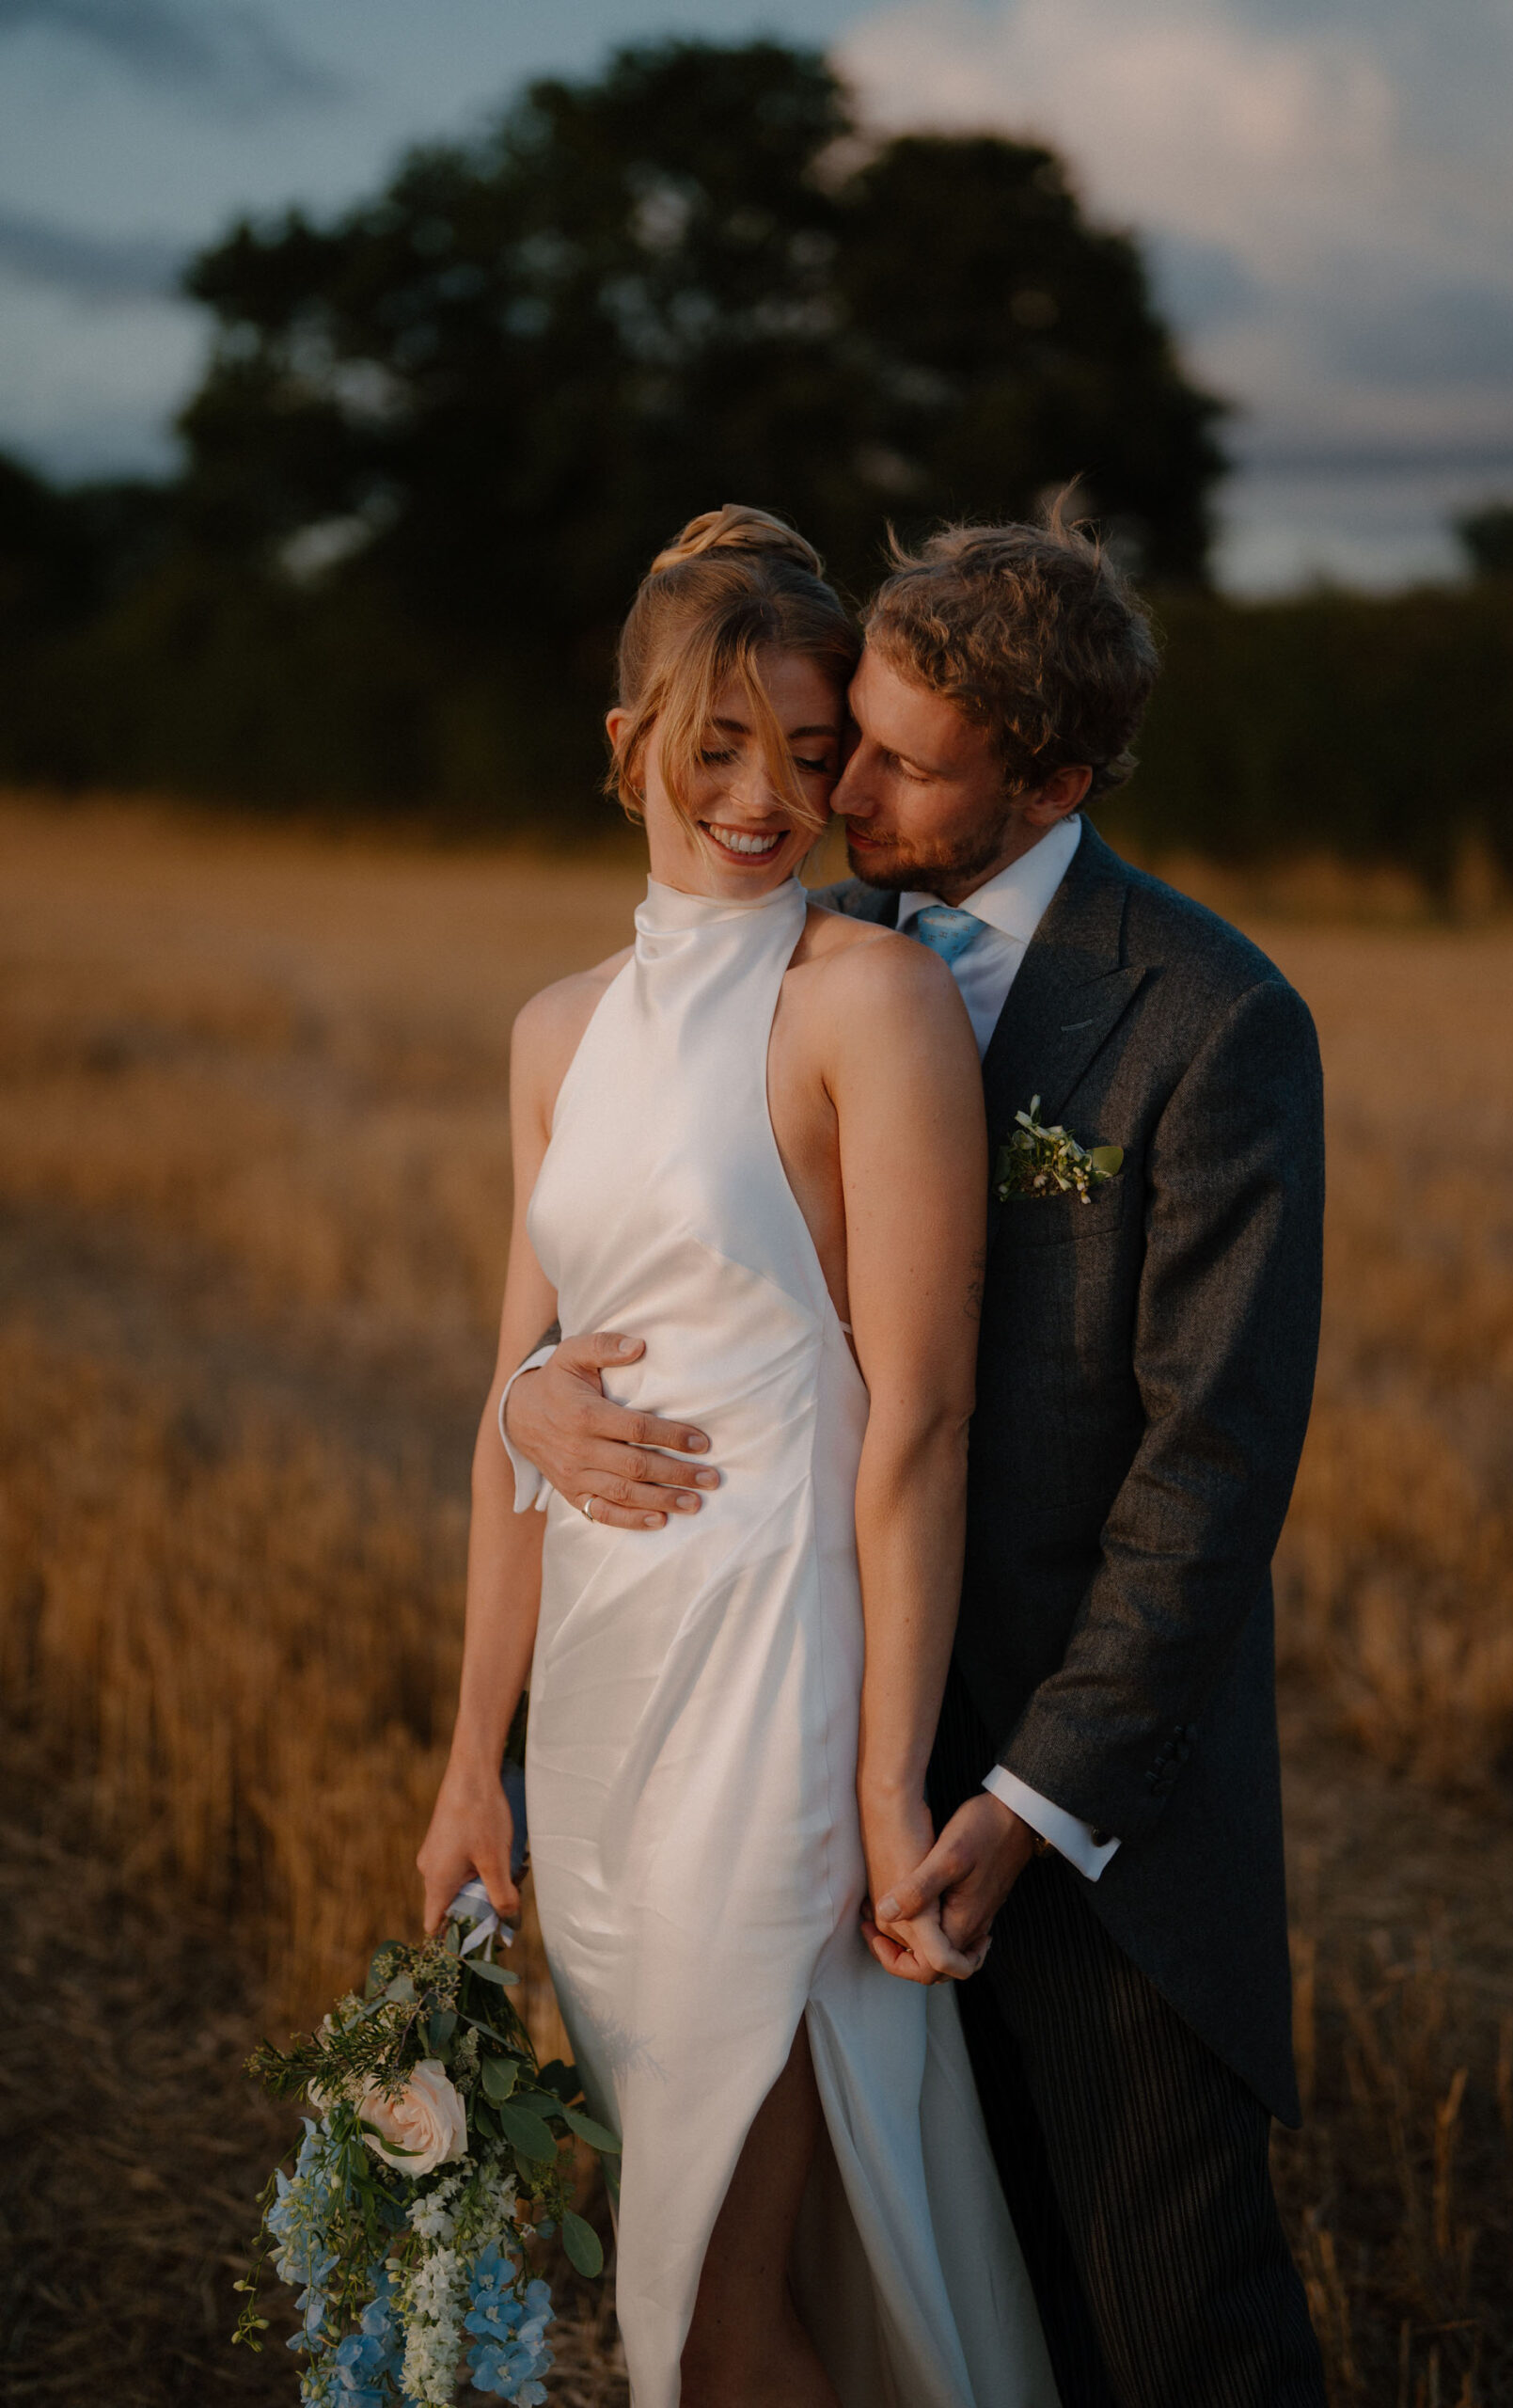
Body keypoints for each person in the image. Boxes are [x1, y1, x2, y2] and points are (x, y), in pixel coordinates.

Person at [504, 505, 1331, 2407]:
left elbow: (1208, 1470)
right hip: (793, 1716)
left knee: (1158, 2303)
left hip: (1070, 1792)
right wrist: (527, 1389)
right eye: (839, 734)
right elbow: (685, 1249)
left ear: (1048, 780)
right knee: (932, 2282)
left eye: (889, 757)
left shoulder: (1209, 1021)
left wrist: (1028, 1797)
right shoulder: (820, 944)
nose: (836, 782)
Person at [418, 505, 1056, 2408]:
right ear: (630, 747)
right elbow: (511, 1405)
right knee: (676, 2272)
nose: (766, 796)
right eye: (717, 748)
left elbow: (922, 1412)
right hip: (599, 1721)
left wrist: (881, 1783)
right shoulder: (556, 1033)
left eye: (803, 748)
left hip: (774, 1685)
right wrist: (472, 1767)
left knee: (701, 2315)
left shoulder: (864, 999)